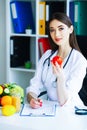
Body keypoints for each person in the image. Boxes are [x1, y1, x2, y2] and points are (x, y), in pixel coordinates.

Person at [26, 12, 87, 109]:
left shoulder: (79, 60)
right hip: (51, 109)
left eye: (61, 28)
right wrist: (32, 99)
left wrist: (60, 78)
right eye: (52, 30)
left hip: (72, 110)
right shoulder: (47, 55)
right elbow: (33, 87)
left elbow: (64, 101)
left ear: (70, 29)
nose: (56, 34)